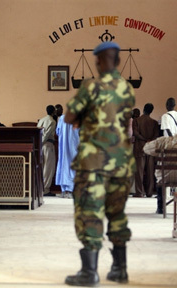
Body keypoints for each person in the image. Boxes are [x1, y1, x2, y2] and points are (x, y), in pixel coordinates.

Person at [64, 41, 135, 286]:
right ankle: (120, 269)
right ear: (117, 61)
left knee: (89, 212)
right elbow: (125, 120)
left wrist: (83, 117)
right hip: (121, 163)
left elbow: (69, 116)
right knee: (117, 213)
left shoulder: (90, 86)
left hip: (93, 162)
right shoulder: (127, 88)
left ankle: (89, 272)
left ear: (97, 60)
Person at [143, 124, 177, 214]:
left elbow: (146, 148)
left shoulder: (163, 141)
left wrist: (157, 153)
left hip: (163, 177)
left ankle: (160, 208)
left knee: (160, 179)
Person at [133, 103, 159, 197]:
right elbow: (156, 135)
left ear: (143, 109)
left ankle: (140, 192)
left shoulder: (136, 120)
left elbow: (135, 133)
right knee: (150, 171)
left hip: (140, 147)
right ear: (151, 111)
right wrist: (149, 140)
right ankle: (149, 192)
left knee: (139, 171)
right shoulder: (155, 122)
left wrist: (143, 139)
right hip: (151, 148)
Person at [55, 115, 80, 198]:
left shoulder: (62, 118)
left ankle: (64, 190)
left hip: (64, 147)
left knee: (64, 165)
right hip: (74, 145)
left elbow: (58, 132)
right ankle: (71, 190)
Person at [37, 105, 56, 196]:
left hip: (39, 145)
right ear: (53, 112)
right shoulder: (52, 121)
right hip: (47, 145)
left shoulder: (41, 120)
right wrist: (42, 142)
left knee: (42, 167)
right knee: (48, 168)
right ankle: (45, 189)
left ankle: (40, 188)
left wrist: (38, 144)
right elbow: (47, 134)